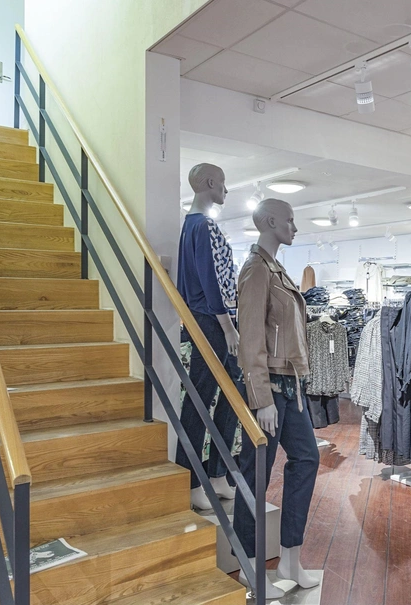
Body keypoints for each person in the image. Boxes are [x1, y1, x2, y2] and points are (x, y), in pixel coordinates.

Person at [234, 198, 320, 599]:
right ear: (270, 222)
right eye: (290, 220)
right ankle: (249, 567)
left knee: (307, 459)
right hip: (269, 387)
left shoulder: (276, 269)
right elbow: (250, 337)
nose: (294, 227)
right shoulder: (256, 269)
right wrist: (261, 396)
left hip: (291, 385)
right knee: (256, 475)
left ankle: (290, 557)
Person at [176, 163, 242, 508]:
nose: (226, 190)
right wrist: (228, 325)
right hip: (212, 320)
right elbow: (211, 280)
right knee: (201, 398)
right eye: (223, 184)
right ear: (211, 182)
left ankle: (216, 474)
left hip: (207, 318)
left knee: (228, 393)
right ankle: (192, 481)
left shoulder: (191, 226)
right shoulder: (203, 226)